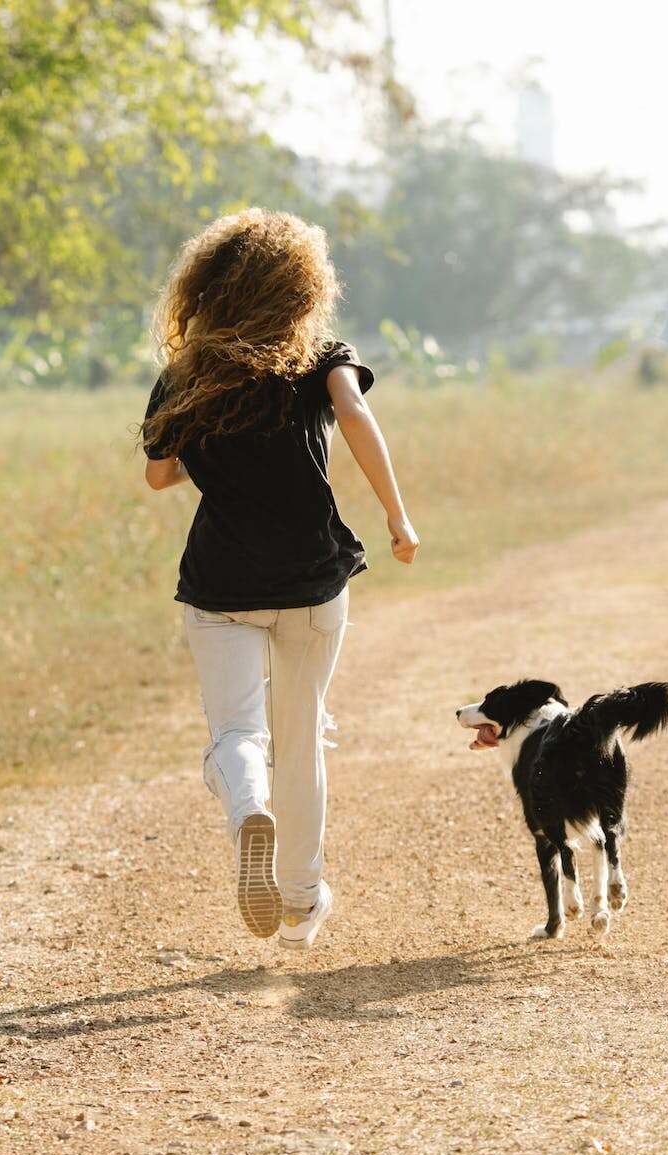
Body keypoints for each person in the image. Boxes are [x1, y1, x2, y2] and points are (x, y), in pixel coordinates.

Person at [140, 209, 417, 950]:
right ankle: (300, 898)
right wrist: (397, 517)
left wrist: (205, 441)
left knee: (237, 732)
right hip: (312, 581)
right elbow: (355, 414)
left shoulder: (185, 374)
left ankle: (247, 812)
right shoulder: (321, 359)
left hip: (221, 583)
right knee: (302, 738)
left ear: (208, 289)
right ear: (303, 287)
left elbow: (158, 474)